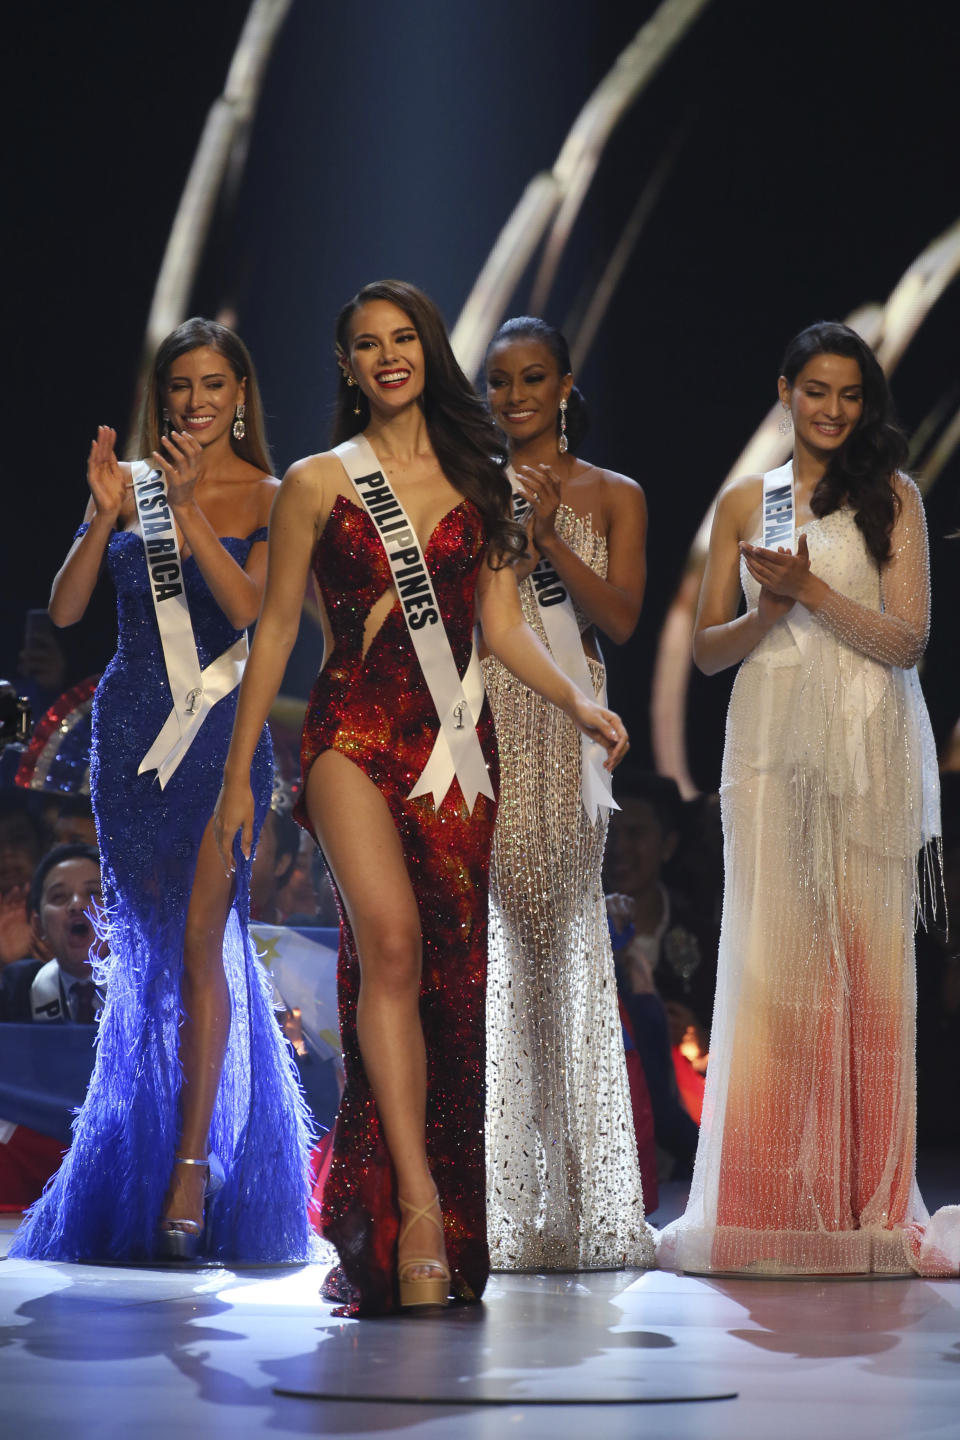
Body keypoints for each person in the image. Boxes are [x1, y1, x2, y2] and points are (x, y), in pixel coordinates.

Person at [213, 280, 629, 1316]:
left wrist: (581, 703)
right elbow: (275, 635)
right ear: (347, 365)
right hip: (351, 734)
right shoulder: (315, 481)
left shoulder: (480, 479)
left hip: (454, 747)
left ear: (428, 352)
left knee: (450, 982)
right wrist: (239, 774)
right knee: (391, 944)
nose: (388, 355)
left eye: (404, 339)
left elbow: (500, 624)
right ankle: (420, 1208)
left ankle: (427, 1195)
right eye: (366, 343)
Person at [658, 320, 957, 1277]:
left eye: (850, 394)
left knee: (868, 968)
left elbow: (908, 640)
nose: (831, 410)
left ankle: (862, 1198)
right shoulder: (752, 501)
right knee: (778, 971)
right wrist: (766, 610)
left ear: (865, 405)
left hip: (868, 748)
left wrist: (814, 595)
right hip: (773, 743)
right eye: (816, 391)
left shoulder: (894, 498)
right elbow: (708, 651)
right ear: (785, 391)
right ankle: (770, 1200)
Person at [11, 318, 313, 1265]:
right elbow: (64, 608)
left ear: (240, 395)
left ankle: (192, 1169)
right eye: (180, 386)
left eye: (214, 384)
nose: (196, 402)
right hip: (131, 742)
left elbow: (254, 612)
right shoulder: (132, 489)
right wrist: (106, 514)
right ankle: (136, 1163)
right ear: (164, 397)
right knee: (145, 958)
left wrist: (185, 512)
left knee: (199, 945)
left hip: (223, 742)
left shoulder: (274, 493)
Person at [480, 316, 654, 1269]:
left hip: (574, 720)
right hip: (492, 721)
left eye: (532, 377)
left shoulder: (614, 494)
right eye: (499, 381)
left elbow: (621, 618)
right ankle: (516, 1194)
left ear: (566, 384)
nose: (514, 397)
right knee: (508, 949)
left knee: (559, 949)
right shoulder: (469, 485)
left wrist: (548, 535)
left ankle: (579, 1196)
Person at [0, 843, 103, 1022]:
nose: (77, 905)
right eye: (59, 896)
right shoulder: (16, 988)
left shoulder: (150, 988)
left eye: (93, 892)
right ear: (39, 926)